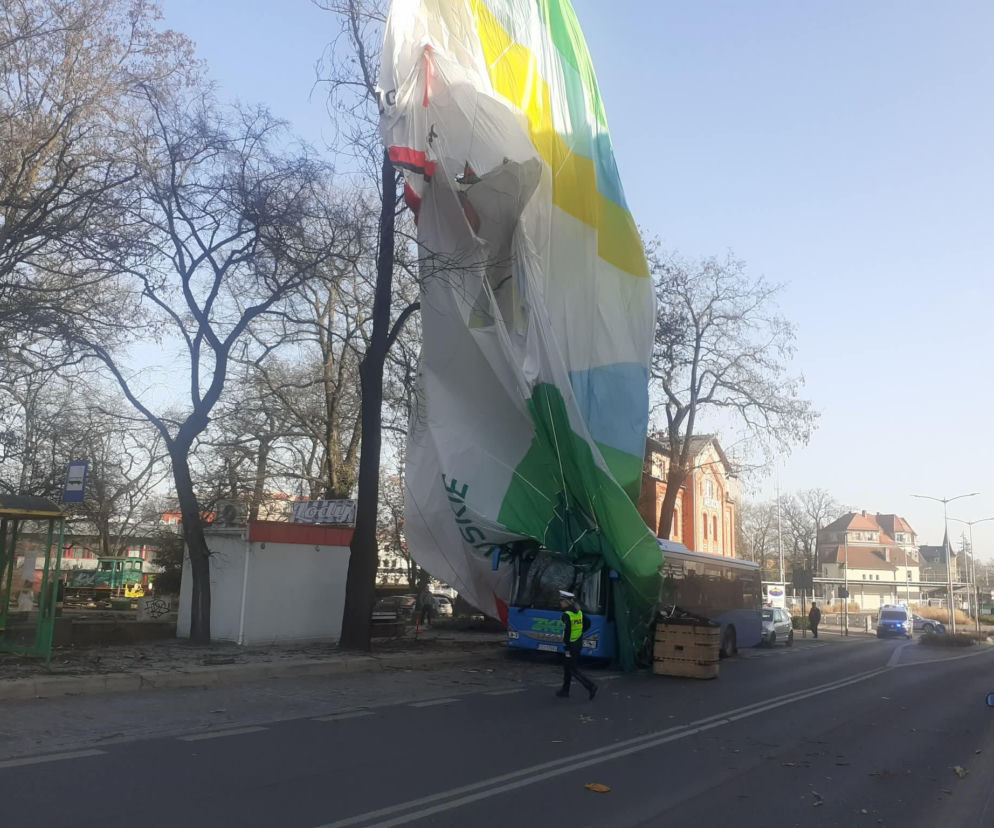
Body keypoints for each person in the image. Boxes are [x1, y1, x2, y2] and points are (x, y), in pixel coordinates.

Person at [556, 590, 598, 700]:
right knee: (567, 667)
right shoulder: (579, 612)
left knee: (572, 669)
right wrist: (580, 632)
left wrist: (566, 645)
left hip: (570, 646)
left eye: (562, 601)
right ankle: (565, 690)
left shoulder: (566, 615)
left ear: (566, 602)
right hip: (578, 643)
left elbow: (568, 631)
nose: (560, 603)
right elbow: (587, 623)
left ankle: (591, 686)